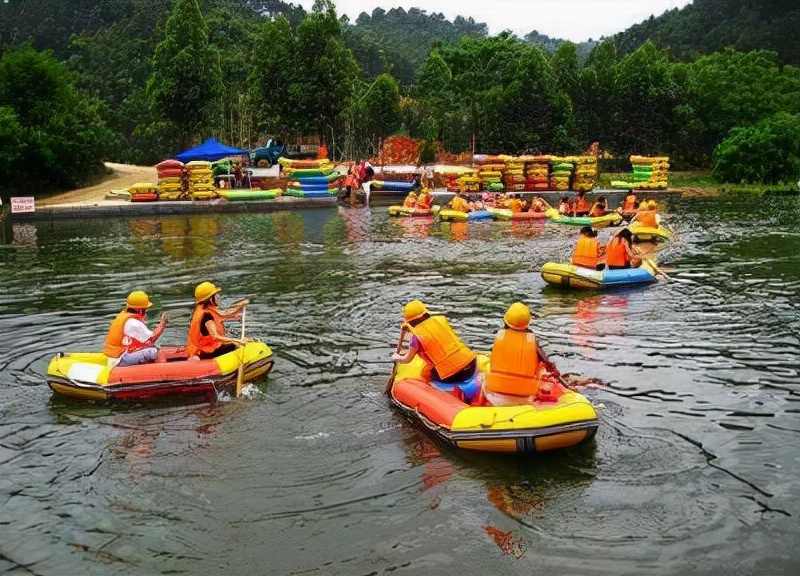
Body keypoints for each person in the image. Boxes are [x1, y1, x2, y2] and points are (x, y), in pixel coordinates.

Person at [391, 300, 477, 384]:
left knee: (424, 374)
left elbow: (407, 360)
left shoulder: (416, 337)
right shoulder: (440, 321)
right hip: (472, 365)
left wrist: (396, 357)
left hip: (452, 375)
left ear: (409, 321)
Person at [480, 302, 542, 406]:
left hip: (495, 395)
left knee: (482, 375)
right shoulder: (534, 341)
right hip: (525, 397)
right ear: (528, 322)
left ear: (506, 321)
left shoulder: (499, 336)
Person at [103, 291, 168, 368]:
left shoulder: (122, 316)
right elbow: (152, 338)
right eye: (145, 309)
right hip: (120, 360)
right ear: (140, 310)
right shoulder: (133, 323)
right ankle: (164, 370)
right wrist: (162, 323)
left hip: (112, 357)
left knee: (146, 348)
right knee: (157, 351)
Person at [186, 282, 249, 359]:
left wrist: (240, 305)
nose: (217, 296)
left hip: (201, 348)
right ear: (210, 298)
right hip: (207, 351)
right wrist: (237, 341)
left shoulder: (201, 308)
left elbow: (223, 314)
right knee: (233, 345)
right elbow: (215, 336)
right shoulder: (206, 316)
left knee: (232, 343)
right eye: (215, 295)